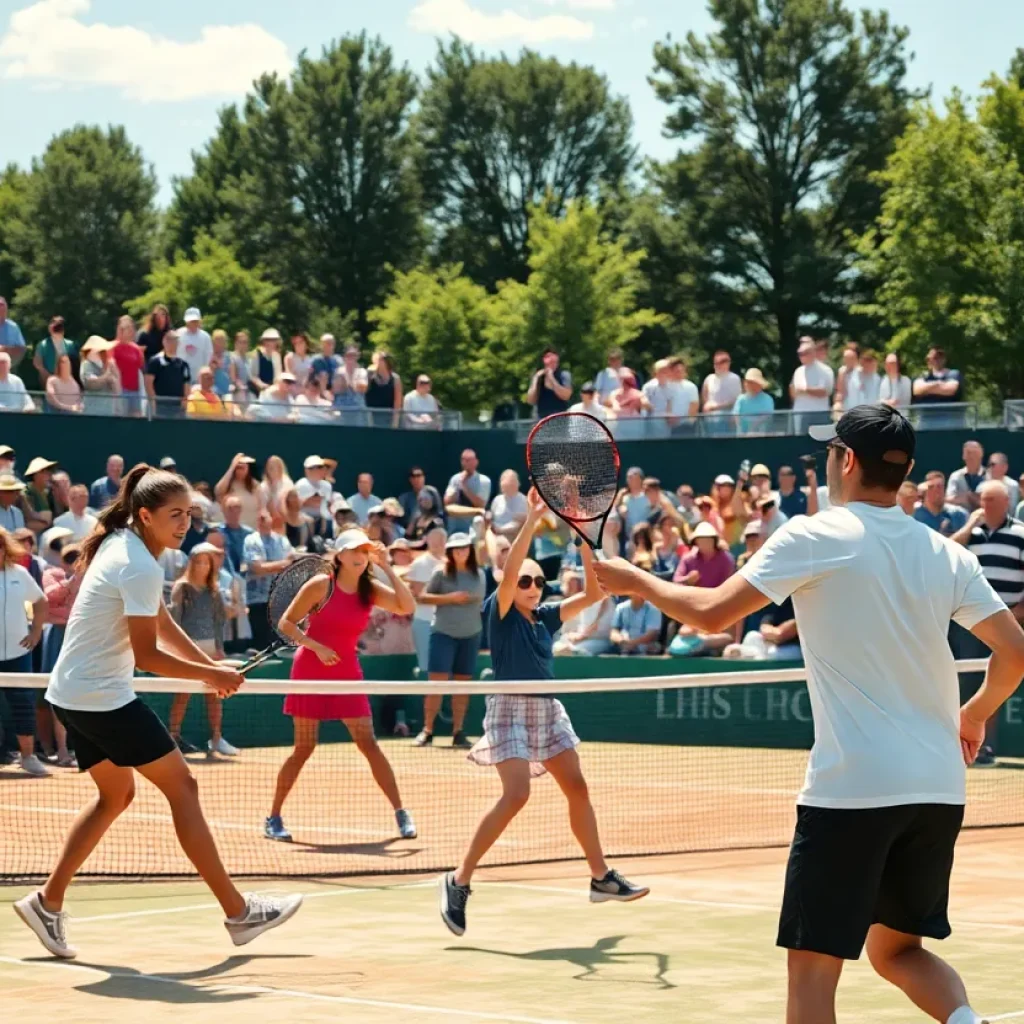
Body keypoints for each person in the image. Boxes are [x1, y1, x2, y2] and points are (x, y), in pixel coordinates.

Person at [592, 403, 1024, 1024]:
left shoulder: (813, 534)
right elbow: (1013, 653)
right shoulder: (946, 555)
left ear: (846, 461)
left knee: (812, 976)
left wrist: (639, 581)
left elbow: (714, 613)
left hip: (852, 794)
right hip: (937, 792)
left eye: (830, 452)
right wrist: (976, 713)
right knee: (899, 950)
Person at [16, 465, 302, 958]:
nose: (184, 524)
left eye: (189, 514)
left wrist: (206, 662)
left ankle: (47, 902)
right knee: (183, 787)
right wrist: (211, 676)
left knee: (115, 796)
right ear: (145, 514)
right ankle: (239, 913)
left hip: (72, 694)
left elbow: (161, 619)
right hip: (101, 698)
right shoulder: (139, 563)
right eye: (174, 515)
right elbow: (147, 654)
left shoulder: (123, 541)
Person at [439, 489, 648, 937]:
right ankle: (459, 882)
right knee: (516, 796)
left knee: (577, 787)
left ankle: (600, 877)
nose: (531, 587)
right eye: (524, 582)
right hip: (509, 710)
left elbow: (594, 591)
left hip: (547, 709)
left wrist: (583, 535)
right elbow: (512, 568)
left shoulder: (547, 616)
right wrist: (534, 518)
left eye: (537, 582)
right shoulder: (500, 613)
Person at [264, 530, 417, 842]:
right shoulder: (322, 584)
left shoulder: (370, 589)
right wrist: (314, 645)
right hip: (309, 668)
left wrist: (387, 567)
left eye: (365, 549)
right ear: (341, 556)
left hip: (346, 670)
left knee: (369, 743)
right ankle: (274, 817)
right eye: (353, 550)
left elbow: (406, 606)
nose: (360, 555)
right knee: (304, 748)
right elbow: (286, 623)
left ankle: (401, 813)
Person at [949, 480, 1024, 767]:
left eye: (991, 501)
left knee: (994, 684)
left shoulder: (1020, 534)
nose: (985, 506)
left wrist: (1015, 613)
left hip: (1005, 621)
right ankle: (964, 746)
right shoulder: (972, 534)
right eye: (982, 500)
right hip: (968, 623)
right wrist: (969, 525)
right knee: (967, 681)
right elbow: (945, 554)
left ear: (1006, 502)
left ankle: (986, 749)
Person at [166, 543, 238, 757]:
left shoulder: (214, 591)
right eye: (198, 562)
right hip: (187, 651)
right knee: (182, 696)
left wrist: (219, 649)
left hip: (210, 650)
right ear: (191, 563)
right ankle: (173, 739)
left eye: (206, 562)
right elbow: (174, 621)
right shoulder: (182, 588)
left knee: (214, 696)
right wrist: (178, 651)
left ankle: (216, 739)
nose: (202, 566)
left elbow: (218, 622)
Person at [414, 533, 483, 748]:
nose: (461, 551)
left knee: (462, 686)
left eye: (464, 548)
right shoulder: (440, 574)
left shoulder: (478, 574)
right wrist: (450, 598)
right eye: (456, 548)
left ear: (470, 550)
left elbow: (476, 598)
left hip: (470, 635)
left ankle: (458, 732)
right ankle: (427, 730)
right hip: (442, 634)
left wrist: (457, 599)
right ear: (451, 552)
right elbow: (422, 597)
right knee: (436, 684)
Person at [0, 527, 49, 775]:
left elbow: (40, 601)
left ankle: (28, 757)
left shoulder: (19, 573)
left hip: (19, 654)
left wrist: (36, 632)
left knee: (23, 704)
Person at [243, 511, 294, 651]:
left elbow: (292, 565)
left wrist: (270, 566)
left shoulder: (282, 540)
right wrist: (282, 564)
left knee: (281, 643)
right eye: (259, 517)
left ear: (272, 519)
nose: (262, 519)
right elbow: (257, 568)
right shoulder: (251, 540)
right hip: (258, 600)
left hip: (281, 600)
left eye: (265, 516)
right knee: (261, 645)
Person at [405, 526, 447, 676]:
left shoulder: (449, 563)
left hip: (445, 623)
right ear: (428, 541)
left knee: (444, 668)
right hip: (424, 621)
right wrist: (451, 598)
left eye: (441, 540)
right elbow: (419, 595)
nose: (438, 543)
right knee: (426, 667)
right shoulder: (420, 563)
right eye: (434, 539)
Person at [789, 338, 833, 433]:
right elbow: (794, 392)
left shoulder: (825, 370)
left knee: (820, 445)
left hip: (819, 414)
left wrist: (805, 390)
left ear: (813, 353)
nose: (801, 356)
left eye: (804, 353)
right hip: (800, 413)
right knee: (801, 444)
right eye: (800, 354)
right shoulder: (798, 371)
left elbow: (824, 392)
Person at [144, 331, 190, 418]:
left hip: (177, 407)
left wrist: (184, 404)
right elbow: (148, 383)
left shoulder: (183, 364)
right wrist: (153, 402)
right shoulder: (155, 361)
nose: (173, 343)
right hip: (160, 406)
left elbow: (186, 385)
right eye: (169, 340)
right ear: (164, 342)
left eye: (175, 340)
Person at [445, 449, 492, 533]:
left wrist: (464, 486)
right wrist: (457, 487)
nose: (466, 463)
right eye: (463, 460)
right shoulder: (455, 479)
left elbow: (480, 505)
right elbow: (447, 502)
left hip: (474, 528)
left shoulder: (484, 481)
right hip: (455, 527)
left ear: (476, 462)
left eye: (469, 460)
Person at [111, 315, 146, 418]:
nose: (131, 331)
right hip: (121, 390)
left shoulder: (136, 349)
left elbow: (141, 367)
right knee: (122, 419)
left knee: (136, 418)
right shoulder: (113, 347)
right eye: (127, 328)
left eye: (132, 328)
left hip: (136, 391)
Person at [214, 453, 260, 530]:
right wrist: (231, 467)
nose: (240, 470)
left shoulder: (255, 485)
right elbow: (218, 491)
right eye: (237, 467)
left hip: (251, 529)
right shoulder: (228, 484)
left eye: (242, 467)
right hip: (230, 529)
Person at [700, 350, 742, 433]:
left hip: (728, 420)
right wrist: (706, 406)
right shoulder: (709, 378)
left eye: (722, 362)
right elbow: (704, 396)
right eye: (716, 362)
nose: (718, 365)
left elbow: (736, 400)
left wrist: (716, 406)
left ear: (728, 363)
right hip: (710, 420)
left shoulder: (734, 379)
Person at [33, 316, 78, 391]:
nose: (56, 327)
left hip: (67, 382)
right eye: (53, 324)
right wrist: (51, 379)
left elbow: (74, 365)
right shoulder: (43, 345)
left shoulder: (70, 345)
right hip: (47, 382)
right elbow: (38, 364)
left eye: (59, 325)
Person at [526, 348, 572, 418]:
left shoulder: (564, 375)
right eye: (550, 362)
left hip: (561, 418)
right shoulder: (538, 376)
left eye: (554, 362)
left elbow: (566, 396)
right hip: (541, 419)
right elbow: (530, 400)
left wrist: (552, 379)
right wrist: (535, 379)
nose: (552, 365)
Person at [365, 352, 402, 427]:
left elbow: (397, 402)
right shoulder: (369, 376)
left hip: (388, 416)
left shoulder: (395, 378)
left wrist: (395, 423)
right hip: (371, 416)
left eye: (381, 359)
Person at [733, 368, 775, 433]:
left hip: (762, 436)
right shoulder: (740, 399)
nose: (750, 385)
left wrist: (753, 428)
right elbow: (736, 417)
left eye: (753, 383)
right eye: (748, 382)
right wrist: (743, 430)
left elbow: (767, 416)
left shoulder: (768, 399)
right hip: (743, 437)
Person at [177, 308, 214, 382]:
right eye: (191, 321)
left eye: (195, 321)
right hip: (181, 377)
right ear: (186, 321)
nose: (193, 323)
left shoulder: (205, 337)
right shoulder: (178, 334)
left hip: (199, 379)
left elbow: (209, 357)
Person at [258, 455, 294, 520]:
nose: (274, 469)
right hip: (270, 521)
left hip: (287, 519)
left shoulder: (288, 482)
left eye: (277, 466)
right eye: (270, 467)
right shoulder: (263, 486)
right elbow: (263, 507)